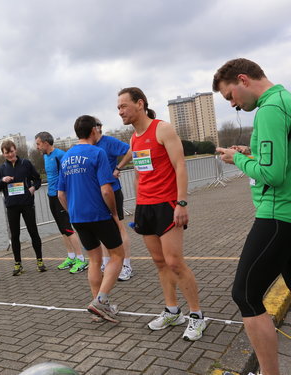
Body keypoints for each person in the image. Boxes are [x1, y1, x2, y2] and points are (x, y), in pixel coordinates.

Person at [214, 58, 291, 375]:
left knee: (245, 293)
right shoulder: (285, 99)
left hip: (277, 215)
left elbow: (273, 175)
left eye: (230, 96)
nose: (232, 104)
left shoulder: (270, 108)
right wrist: (252, 154)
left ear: (243, 79)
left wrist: (237, 159)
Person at [117, 87, 206, 340]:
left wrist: (182, 203)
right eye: (118, 108)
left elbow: (180, 165)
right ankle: (172, 311)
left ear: (140, 104)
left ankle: (197, 315)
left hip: (167, 204)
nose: (120, 112)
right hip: (145, 207)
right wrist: (138, 205)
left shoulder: (162, 129)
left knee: (175, 262)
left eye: (123, 106)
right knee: (159, 263)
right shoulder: (134, 138)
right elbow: (139, 173)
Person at [58, 115, 124, 323]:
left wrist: (73, 212)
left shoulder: (66, 157)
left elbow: (61, 194)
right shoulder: (98, 152)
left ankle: (98, 305)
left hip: (77, 216)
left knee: (94, 260)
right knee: (117, 255)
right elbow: (106, 190)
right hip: (99, 213)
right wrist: (113, 213)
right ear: (93, 131)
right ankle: (101, 301)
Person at [35, 132, 88, 274]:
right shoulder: (46, 156)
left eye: (38, 143)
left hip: (61, 195)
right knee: (62, 229)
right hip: (51, 195)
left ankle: (81, 259)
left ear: (46, 142)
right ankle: (71, 257)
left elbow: (69, 174)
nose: (37, 147)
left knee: (68, 228)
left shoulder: (60, 155)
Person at [0, 140, 46, 275]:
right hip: (12, 207)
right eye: (6, 153)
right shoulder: (1, 169)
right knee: (15, 236)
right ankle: (18, 264)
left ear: (15, 150)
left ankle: (40, 261)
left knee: (33, 232)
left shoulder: (26, 164)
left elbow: (38, 179)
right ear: (3, 154)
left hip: (27, 204)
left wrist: (34, 187)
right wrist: (2, 181)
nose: (9, 155)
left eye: (11, 151)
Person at [94, 119, 135, 281]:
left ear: (97, 128)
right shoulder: (89, 145)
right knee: (103, 229)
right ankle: (106, 262)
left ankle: (126, 266)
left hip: (112, 190)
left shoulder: (108, 141)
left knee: (119, 228)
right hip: (97, 194)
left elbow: (131, 150)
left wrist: (118, 168)